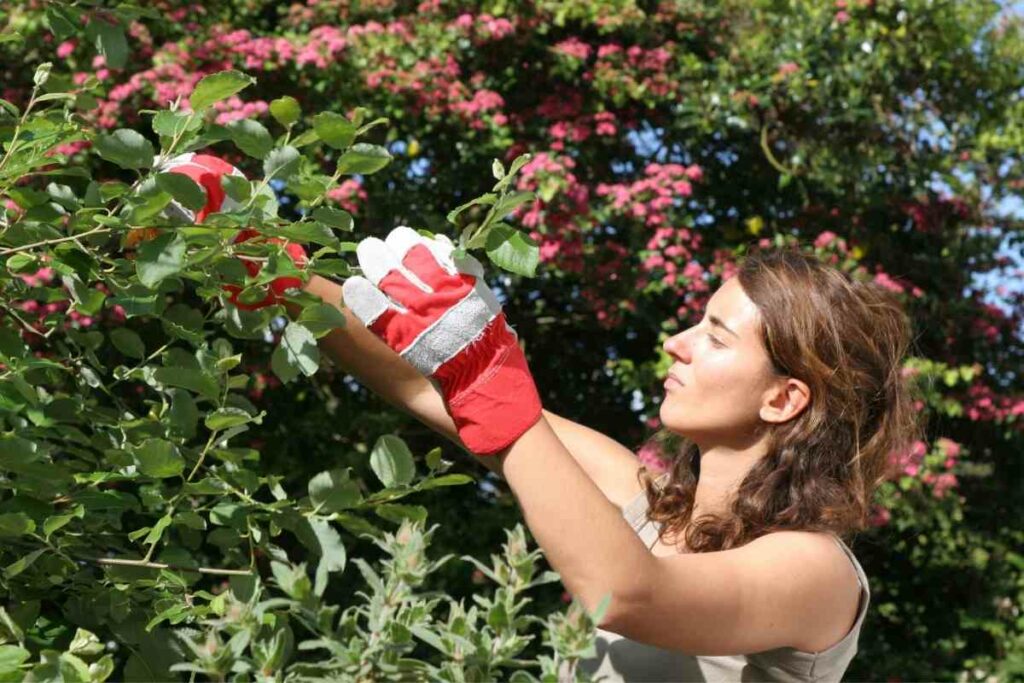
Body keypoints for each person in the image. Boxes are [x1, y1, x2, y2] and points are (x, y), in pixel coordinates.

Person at [161, 154, 920, 682]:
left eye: (715, 335)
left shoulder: (815, 570)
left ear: (784, 398)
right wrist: (269, 261)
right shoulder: (644, 500)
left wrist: (493, 381)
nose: (677, 344)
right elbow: (429, 389)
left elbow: (625, 593)